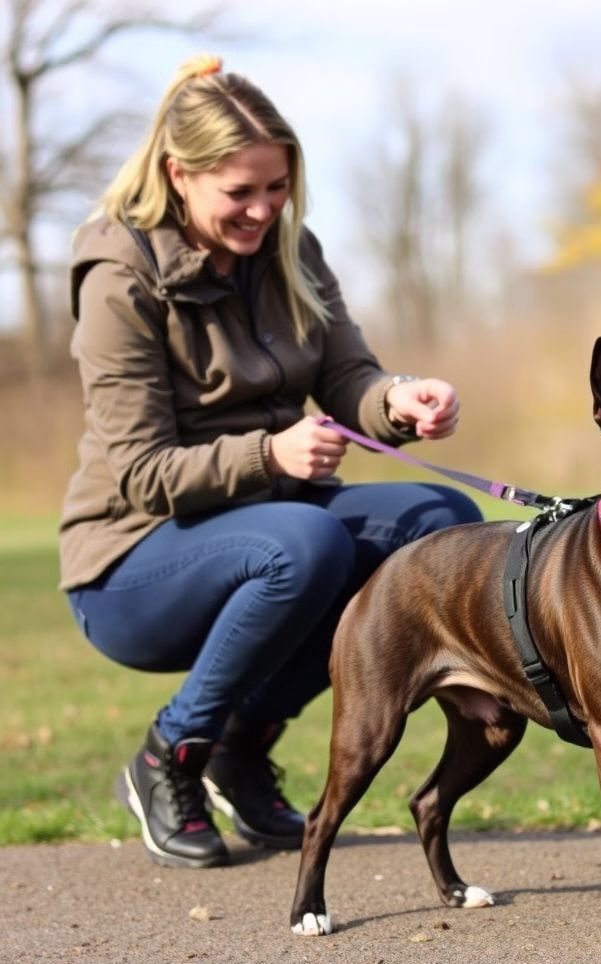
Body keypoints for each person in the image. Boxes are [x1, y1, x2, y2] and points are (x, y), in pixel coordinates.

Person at [58, 53, 482, 870]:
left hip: (275, 520)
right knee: (305, 543)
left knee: (439, 529)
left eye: (277, 188)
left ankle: (241, 747)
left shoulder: (291, 249)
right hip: (130, 563)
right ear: (179, 175)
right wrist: (271, 451)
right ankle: (170, 755)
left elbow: (346, 376)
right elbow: (141, 470)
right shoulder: (119, 275)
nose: (263, 210)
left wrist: (398, 398)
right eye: (240, 193)